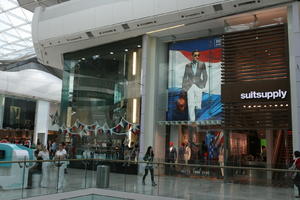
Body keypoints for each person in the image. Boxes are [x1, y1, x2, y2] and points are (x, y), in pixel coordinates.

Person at [182, 51, 208, 121]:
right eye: (195, 55)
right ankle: (192, 120)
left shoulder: (202, 64)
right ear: (192, 56)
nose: (197, 57)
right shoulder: (187, 65)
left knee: (198, 105)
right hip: (190, 85)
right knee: (190, 104)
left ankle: (198, 119)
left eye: (198, 55)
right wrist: (184, 87)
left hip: (198, 85)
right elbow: (185, 76)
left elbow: (205, 75)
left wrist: (203, 84)